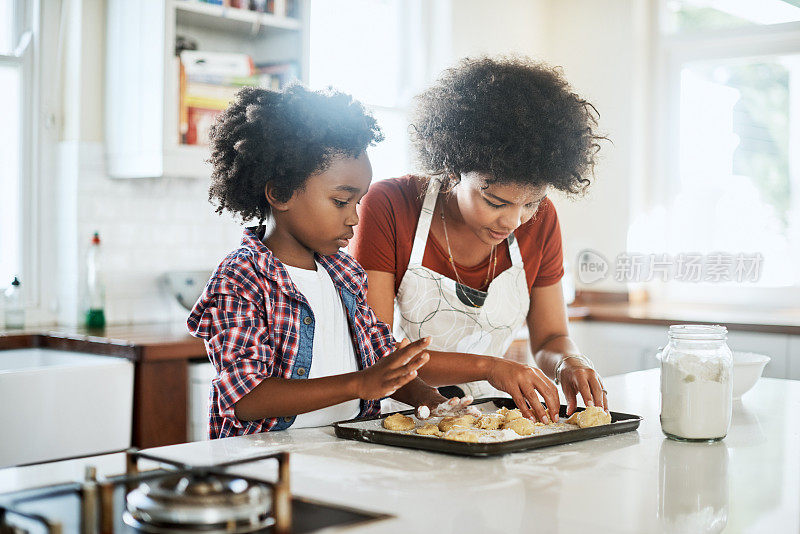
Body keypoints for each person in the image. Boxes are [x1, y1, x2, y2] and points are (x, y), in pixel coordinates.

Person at [187, 85, 459, 439]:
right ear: (281, 193)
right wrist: (359, 384)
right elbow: (246, 398)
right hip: (265, 461)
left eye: (358, 202)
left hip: (343, 452)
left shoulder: (344, 273)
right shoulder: (241, 276)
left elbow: (379, 364)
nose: (355, 219)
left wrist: (425, 396)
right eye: (340, 201)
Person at [351, 56, 608, 422]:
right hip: (403, 415)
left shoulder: (542, 221)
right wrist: (490, 367)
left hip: (490, 419)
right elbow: (378, 352)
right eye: (495, 201)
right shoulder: (391, 205)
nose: (514, 220)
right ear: (453, 169)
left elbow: (550, 338)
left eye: (530, 203)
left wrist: (570, 360)